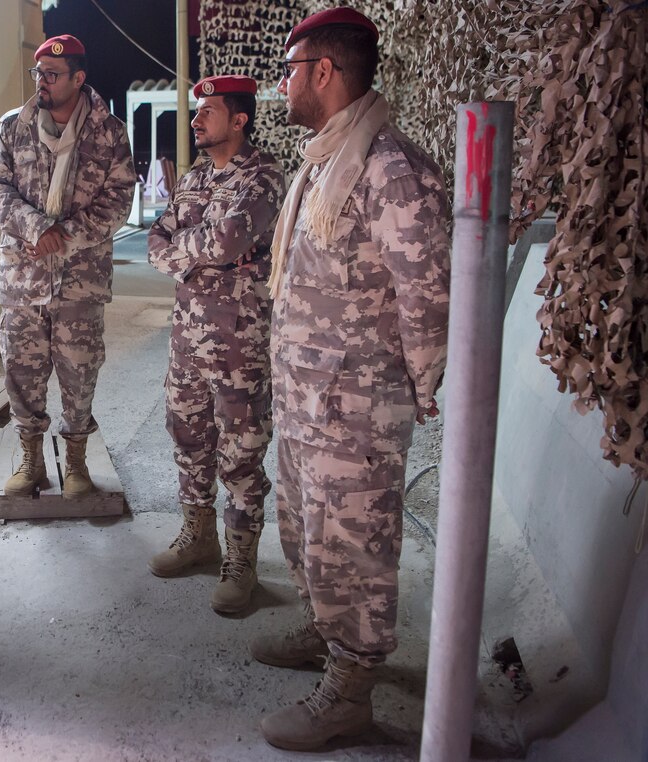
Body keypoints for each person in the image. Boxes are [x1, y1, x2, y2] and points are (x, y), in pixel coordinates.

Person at [252, 8, 452, 751]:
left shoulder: (389, 168)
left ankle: (352, 690)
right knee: (309, 533)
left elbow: (427, 294)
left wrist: (423, 385)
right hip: (309, 399)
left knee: (354, 545)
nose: (283, 85)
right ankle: (322, 627)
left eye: (290, 70)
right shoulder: (325, 160)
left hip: (357, 408)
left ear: (324, 72)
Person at [146, 76, 284, 614]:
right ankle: (197, 536)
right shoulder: (195, 179)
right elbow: (156, 244)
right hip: (187, 339)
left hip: (239, 343)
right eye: (195, 112)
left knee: (241, 453)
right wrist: (197, 252)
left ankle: (241, 561)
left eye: (207, 112)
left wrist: (190, 251)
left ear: (240, 119)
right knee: (188, 437)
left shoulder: (264, 177)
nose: (196, 120)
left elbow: (226, 242)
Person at [0, 35, 136, 499]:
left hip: (79, 282)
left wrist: (63, 236)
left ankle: (76, 466)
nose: (42, 82)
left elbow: (119, 199)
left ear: (78, 78)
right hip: (23, 280)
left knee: (79, 374)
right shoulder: (14, 126)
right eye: (38, 74)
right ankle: (31, 463)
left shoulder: (109, 132)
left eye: (52, 74)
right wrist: (35, 227)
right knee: (22, 373)